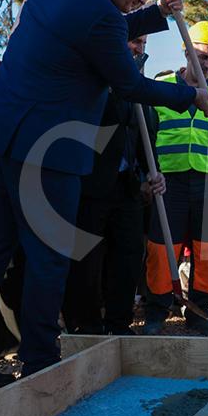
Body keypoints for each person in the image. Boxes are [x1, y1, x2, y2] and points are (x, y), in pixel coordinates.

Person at [0, 0, 208, 388]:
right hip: (47, 148)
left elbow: (101, 28)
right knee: (51, 255)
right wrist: (190, 96)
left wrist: (157, 16)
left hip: (0, 132)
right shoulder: (101, 16)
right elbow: (128, 85)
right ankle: (40, 362)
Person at [143, 20, 208, 336]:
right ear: (187, 51)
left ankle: (199, 311)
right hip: (168, 180)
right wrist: (147, 173)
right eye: (202, 56)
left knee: (207, 250)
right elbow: (145, 133)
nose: (207, 63)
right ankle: (157, 311)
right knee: (162, 248)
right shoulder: (162, 85)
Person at [61, 35, 165, 336]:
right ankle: (86, 325)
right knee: (87, 259)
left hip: (127, 186)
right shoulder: (95, 78)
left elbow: (145, 137)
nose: (138, 47)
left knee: (129, 255)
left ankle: (119, 323)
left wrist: (151, 172)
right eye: (133, 41)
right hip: (90, 184)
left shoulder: (139, 87)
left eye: (143, 43)